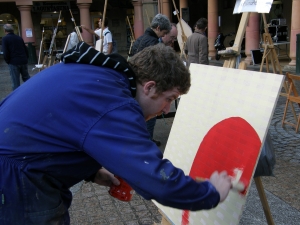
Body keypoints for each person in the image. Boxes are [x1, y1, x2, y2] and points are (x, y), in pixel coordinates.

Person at [0, 42, 232, 224]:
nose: (166, 109)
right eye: (169, 99)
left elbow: (62, 128)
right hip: (16, 181)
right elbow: (154, 178)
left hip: (18, 169)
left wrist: (91, 171)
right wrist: (210, 192)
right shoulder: (114, 101)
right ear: (150, 87)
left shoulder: (99, 76)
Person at [131, 13, 172, 146]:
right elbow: (156, 67)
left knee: (139, 116)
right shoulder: (153, 43)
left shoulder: (139, 39)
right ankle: (147, 143)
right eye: (164, 32)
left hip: (135, 83)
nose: (163, 36)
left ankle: (144, 141)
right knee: (150, 116)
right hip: (147, 84)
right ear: (158, 28)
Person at [2, 24, 30, 90]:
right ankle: (31, 90)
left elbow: (5, 52)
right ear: (13, 30)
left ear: (5, 30)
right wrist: (26, 58)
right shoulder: (19, 38)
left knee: (15, 81)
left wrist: (8, 61)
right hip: (23, 60)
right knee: (26, 78)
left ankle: (17, 96)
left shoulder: (5, 39)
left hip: (13, 61)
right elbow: (25, 49)